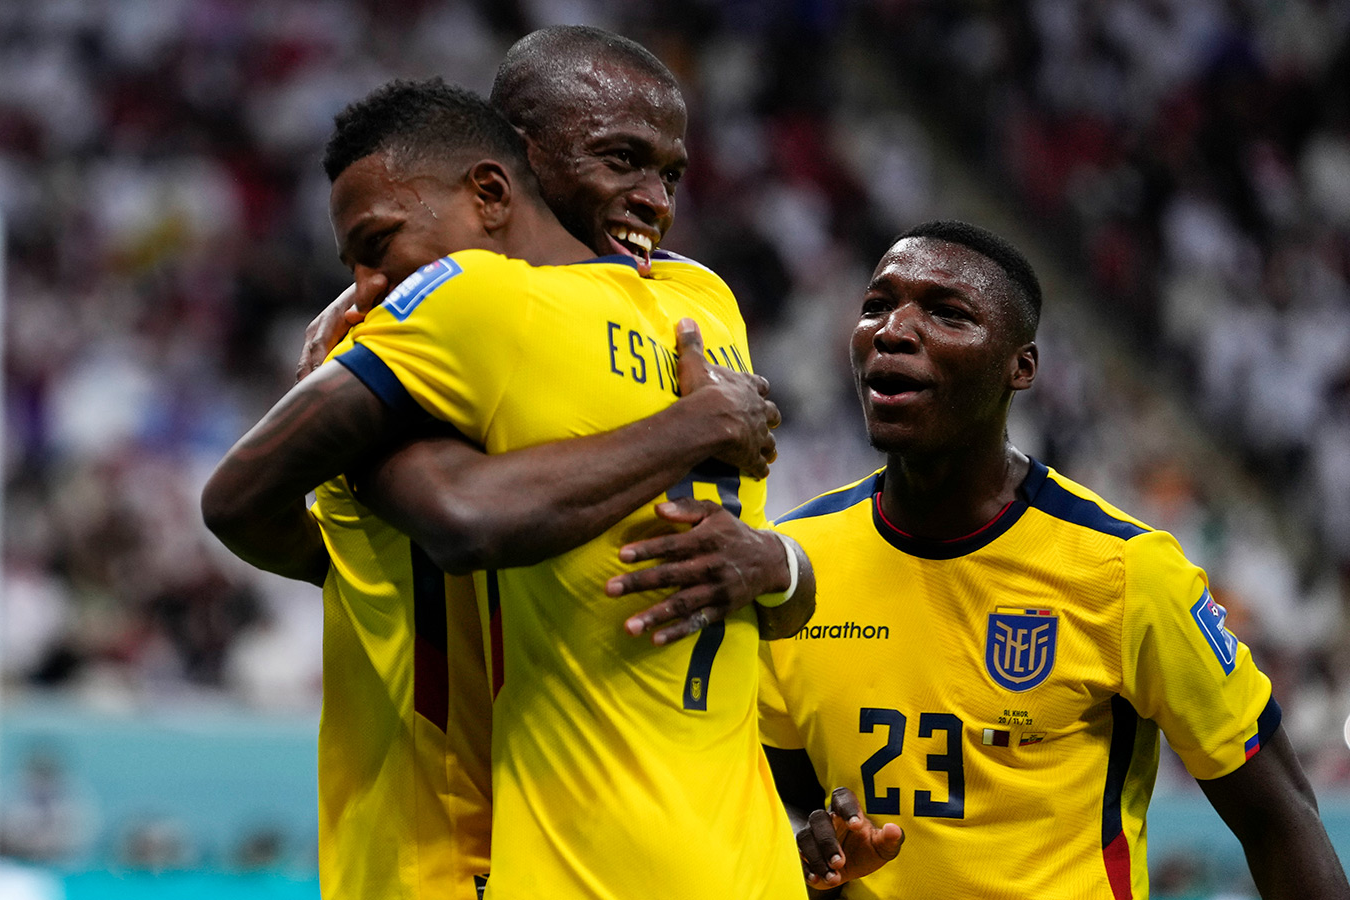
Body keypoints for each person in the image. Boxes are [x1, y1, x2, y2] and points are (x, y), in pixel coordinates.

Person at [203, 75, 812, 900]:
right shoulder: (700, 304)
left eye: (668, 172)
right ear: (524, 163)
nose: (653, 198)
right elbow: (464, 524)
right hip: (656, 850)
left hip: (493, 848)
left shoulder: (487, 305)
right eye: (622, 160)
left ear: (495, 188)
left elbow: (254, 503)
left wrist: (776, 561)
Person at [730, 220, 1348, 898]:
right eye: (876, 306)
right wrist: (813, 852)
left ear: (1020, 367)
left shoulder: (1124, 570)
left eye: (946, 313)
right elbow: (785, 808)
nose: (893, 330)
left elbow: (1279, 816)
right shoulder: (795, 565)